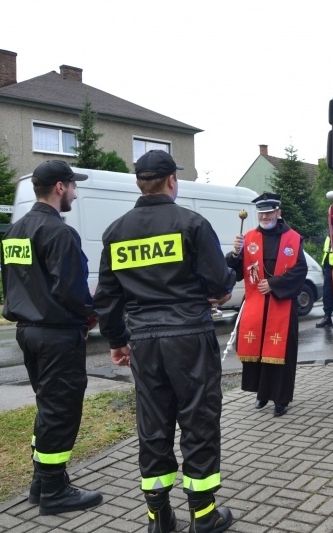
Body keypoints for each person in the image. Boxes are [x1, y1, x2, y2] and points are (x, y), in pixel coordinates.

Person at [93, 150, 236, 533]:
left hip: (143, 341)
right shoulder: (191, 223)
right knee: (198, 418)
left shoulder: (116, 231)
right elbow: (219, 283)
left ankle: (159, 517)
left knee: (153, 426)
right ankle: (203, 515)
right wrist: (221, 284)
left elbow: (106, 297)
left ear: (140, 182)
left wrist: (118, 340)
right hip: (189, 336)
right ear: (172, 180)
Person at [0, 160, 103, 516]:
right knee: (61, 411)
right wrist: (93, 314)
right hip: (58, 335)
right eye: (73, 185)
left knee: (47, 407)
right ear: (60, 187)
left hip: (27, 332)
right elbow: (72, 291)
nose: (75, 191)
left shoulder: (14, 232)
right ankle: (55, 491)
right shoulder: (60, 233)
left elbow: (13, 285)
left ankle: (40, 483)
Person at [226, 192, 307, 417]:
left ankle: (281, 399)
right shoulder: (249, 238)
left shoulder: (292, 238)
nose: (265, 217)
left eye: (269, 212)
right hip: (256, 303)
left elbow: (300, 270)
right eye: (261, 213)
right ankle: (261, 394)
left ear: (278, 212)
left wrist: (273, 284)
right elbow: (234, 270)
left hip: (281, 302)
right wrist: (235, 253)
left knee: (281, 353)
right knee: (258, 350)